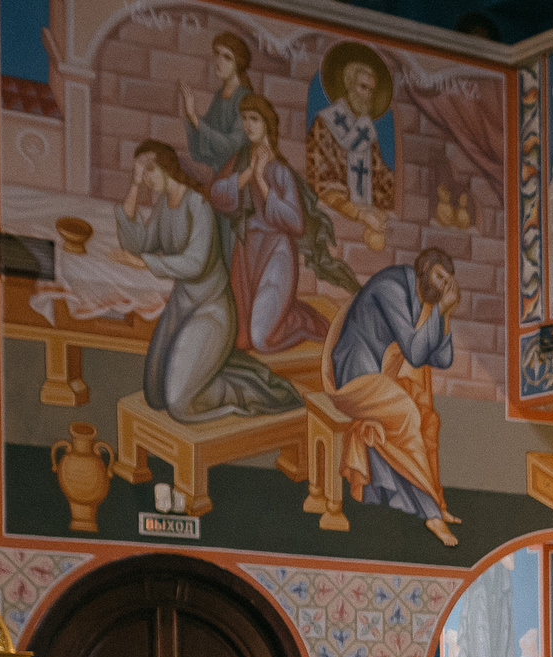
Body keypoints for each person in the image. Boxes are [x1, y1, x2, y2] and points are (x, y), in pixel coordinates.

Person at [121, 140, 302, 424]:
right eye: (141, 172)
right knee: (154, 394)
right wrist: (133, 186)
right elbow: (137, 245)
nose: (145, 178)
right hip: (181, 309)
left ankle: (246, 393)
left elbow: (196, 263)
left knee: (178, 403)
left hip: (211, 311)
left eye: (149, 170)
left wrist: (147, 262)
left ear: (167, 168)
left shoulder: (198, 205)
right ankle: (208, 370)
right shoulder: (164, 205)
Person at [325, 249, 462, 545]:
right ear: (425, 268)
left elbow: (442, 359)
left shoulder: (421, 297)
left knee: (426, 417)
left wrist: (446, 314)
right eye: (439, 277)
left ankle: (432, 503)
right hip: (353, 375)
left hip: (379, 376)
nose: (442, 286)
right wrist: (439, 309)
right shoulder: (392, 287)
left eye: (447, 282)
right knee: (406, 413)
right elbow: (415, 353)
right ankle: (432, 514)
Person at [207, 96, 338, 355]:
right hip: (246, 252)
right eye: (245, 118)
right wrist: (247, 174)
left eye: (254, 119)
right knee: (240, 339)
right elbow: (216, 195)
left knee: (261, 339)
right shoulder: (240, 160)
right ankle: (285, 311)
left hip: (276, 252)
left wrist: (261, 181)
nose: (248, 125)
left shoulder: (280, 171)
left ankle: (304, 320)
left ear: (267, 123)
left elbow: (295, 223)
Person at [308, 45, 395, 251]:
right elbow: (322, 183)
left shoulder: (366, 131)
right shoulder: (325, 123)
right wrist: (360, 213)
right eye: (363, 87)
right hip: (335, 226)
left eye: (371, 90)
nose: (368, 96)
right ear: (348, 86)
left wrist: (383, 209)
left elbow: (381, 177)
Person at [180, 30, 257, 177]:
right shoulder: (219, 95)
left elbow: (232, 147)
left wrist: (195, 119)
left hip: (237, 178)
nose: (219, 61)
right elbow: (203, 150)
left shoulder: (244, 98)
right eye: (217, 54)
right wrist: (191, 118)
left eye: (227, 57)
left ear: (238, 63)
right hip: (219, 175)